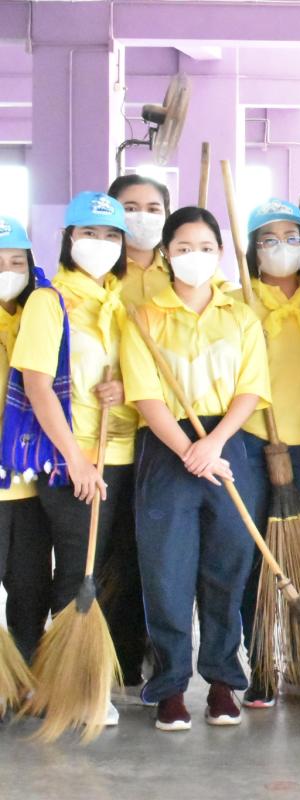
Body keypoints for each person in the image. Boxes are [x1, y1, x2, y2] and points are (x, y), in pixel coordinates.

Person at [120, 205, 270, 732]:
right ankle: (170, 686)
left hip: (228, 445)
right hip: (166, 448)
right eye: (183, 247)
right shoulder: (143, 316)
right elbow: (144, 394)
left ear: (221, 253)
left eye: (206, 247)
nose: (195, 256)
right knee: (166, 571)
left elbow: (251, 387)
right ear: (166, 253)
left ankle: (223, 681)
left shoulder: (241, 316)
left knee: (229, 566)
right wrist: (189, 449)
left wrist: (214, 444)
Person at [12, 192, 140, 728]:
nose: (100, 244)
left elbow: (138, 372)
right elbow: (37, 385)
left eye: (111, 236)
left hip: (123, 453)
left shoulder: (121, 300)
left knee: (104, 571)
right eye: (89, 233)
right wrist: (76, 461)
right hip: (73, 461)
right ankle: (70, 690)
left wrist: (122, 388)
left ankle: (76, 679)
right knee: (76, 574)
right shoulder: (50, 301)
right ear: (68, 239)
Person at [238, 198, 300, 707]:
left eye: (291, 237)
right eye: (268, 239)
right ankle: (259, 662)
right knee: (255, 555)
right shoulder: (238, 298)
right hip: (253, 439)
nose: (281, 247)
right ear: (253, 250)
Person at [0, 217, 50, 666]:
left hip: (32, 485)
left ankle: (26, 674)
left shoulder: (39, 317)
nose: (8, 272)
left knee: (31, 588)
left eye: (17, 262)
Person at [110, 175, 171, 308]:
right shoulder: (101, 270)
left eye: (153, 209)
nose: (142, 218)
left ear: (166, 215)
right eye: (130, 208)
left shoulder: (177, 269)